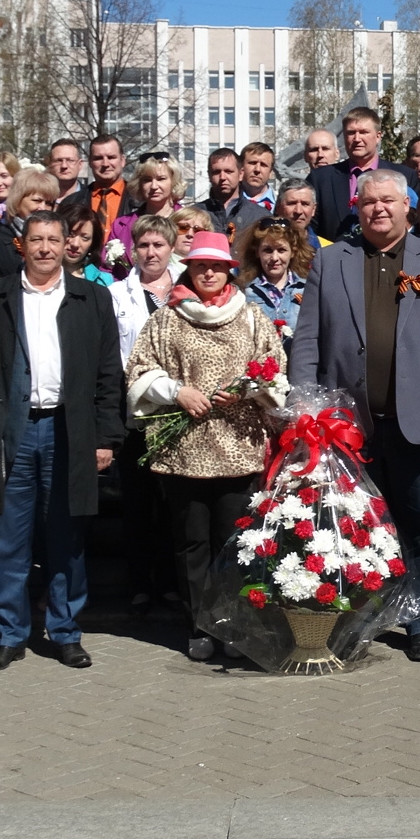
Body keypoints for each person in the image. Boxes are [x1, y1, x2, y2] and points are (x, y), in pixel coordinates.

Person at [290, 168, 420, 662]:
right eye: (368, 201)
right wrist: (304, 405)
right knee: (354, 525)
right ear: (357, 208)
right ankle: (361, 616)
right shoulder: (331, 260)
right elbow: (308, 338)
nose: (378, 208)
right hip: (348, 425)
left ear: (406, 206)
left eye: (387, 201)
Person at [0, 211, 126, 671]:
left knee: (65, 538)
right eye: (37, 240)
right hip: (11, 431)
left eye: (54, 239)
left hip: (68, 431)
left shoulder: (91, 297)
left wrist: (106, 437)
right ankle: (10, 633)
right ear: (23, 245)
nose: (46, 248)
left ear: (67, 244)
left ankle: (65, 631)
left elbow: (108, 373)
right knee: (8, 539)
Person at [126, 231, 287, 659]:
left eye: (217, 266)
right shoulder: (167, 318)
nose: (209, 273)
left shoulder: (250, 316)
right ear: (190, 269)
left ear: (229, 271)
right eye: (201, 266)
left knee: (231, 540)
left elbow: (275, 368)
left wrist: (248, 390)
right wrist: (176, 391)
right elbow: (140, 368)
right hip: (185, 448)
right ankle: (199, 624)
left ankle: (232, 623)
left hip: (238, 446)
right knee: (190, 541)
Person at [107, 215, 180, 615]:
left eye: (158, 245)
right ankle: (139, 583)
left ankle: (169, 582)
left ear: (171, 248)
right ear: (133, 250)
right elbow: (115, 354)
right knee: (137, 502)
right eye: (144, 246)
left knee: (172, 503)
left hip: (180, 412)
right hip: (137, 412)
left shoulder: (188, 287)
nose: (151, 253)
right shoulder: (118, 294)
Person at [307, 106, 408, 239]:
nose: (357, 139)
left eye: (363, 132)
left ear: (378, 136)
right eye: (351, 133)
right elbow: (309, 228)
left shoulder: (404, 176)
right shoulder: (320, 179)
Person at [238, 216, 311, 348]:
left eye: (281, 250)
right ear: (257, 252)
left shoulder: (308, 289)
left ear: (293, 252)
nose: (274, 258)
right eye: (268, 250)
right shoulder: (243, 292)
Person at [0, 168, 60, 279]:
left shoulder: (58, 239)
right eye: (37, 201)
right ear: (18, 200)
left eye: (49, 203)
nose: (43, 208)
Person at [110, 156, 184, 258]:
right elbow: (106, 266)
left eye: (161, 179)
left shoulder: (189, 222)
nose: (154, 186)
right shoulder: (120, 225)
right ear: (139, 184)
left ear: (174, 181)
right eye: (147, 180)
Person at [195, 147, 266, 236]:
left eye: (228, 171)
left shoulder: (259, 217)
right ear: (209, 175)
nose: (222, 177)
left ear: (241, 174)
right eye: (216, 172)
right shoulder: (194, 214)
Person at [75, 134, 134, 222]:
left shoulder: (140, 200)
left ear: (122, 160)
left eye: (111, 157)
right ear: (90, 162)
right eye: (98, 158)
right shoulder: (73, 202)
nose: (105, 164)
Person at [62, 203, 112, 286]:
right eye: (70, 234)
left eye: (85, 238)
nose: (75, 244)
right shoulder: (40, 274)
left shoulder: (103, 282)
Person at [236, 141, 279, 212]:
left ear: (270, 173)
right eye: (252, 163)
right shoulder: (227, 201)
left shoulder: (280, 204)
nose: (257, 169)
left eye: (263, 165)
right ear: (241, 167)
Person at [46, 139, 85, 206]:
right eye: (58, 160)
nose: (64, 166)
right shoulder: (40, 197)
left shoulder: (90, 198)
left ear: (80, 164)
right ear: (50, 164)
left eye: (70, 160)